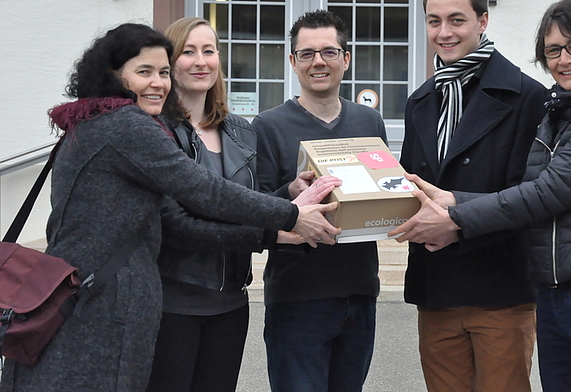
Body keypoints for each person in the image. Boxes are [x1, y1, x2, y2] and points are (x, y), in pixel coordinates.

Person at [0, 23, 340, 392]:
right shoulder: (126, 126)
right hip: (102, 304)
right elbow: (204, 191)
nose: (158, 83)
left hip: (92, 298)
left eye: (162, 73)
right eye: (144, 72)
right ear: (114, 76)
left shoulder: (97, 122)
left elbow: (197, 203)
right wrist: (290, 215)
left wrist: (281, 208)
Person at [391, 0, 571, 392]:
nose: (564, 59)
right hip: (556, 287)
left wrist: (457, 211)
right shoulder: (560, 110)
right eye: (553, 50)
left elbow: (547, 192)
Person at [146, 17, 339, 392]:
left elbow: (246, 205)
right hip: (172, 304)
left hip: (231, 304)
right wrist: (277, 233)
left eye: (209, 51)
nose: (200, 61)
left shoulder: (240, 129)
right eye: (188, 52)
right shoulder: (156, 131)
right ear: (170, 63)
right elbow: (176, 223)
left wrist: (289, 194)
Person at [394, 0, 546, 392]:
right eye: (434, 21)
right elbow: (413, 187)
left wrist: (456, 224)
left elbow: (533, 198)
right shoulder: (421, 101)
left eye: (457, 20)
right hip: (436, 286)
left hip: (499, 287)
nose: (444, 33)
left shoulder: (528, 97)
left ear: (482, 21)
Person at [252, 10, 387, 392]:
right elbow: (254, 209)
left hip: (360, 290)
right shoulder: (268, 126)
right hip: (298, 296)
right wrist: (290, 195)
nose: (318, 62)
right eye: (307, 54)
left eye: (329, 52)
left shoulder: (369, 123)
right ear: (292, 62)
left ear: (346, 59)